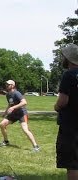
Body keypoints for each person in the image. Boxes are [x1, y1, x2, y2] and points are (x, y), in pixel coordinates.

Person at [54, 43, 78, 180]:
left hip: (70, 127)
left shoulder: (68, 75)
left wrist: (56, 107)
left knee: (72, 164)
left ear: (68, 59)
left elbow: (63, 101)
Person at [0, 79, 40, 152]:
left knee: (25, 129)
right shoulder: (8, 95)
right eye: (6, 84)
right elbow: (10, 104)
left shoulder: (17, 93)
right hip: (13, 114)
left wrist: (13, 107)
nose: (6, 85)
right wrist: (5, 113)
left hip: (22, 113)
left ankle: (36, 146)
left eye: (8, 84)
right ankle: (6, 141)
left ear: (13, 85)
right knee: (2, 124)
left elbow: (24, 102)